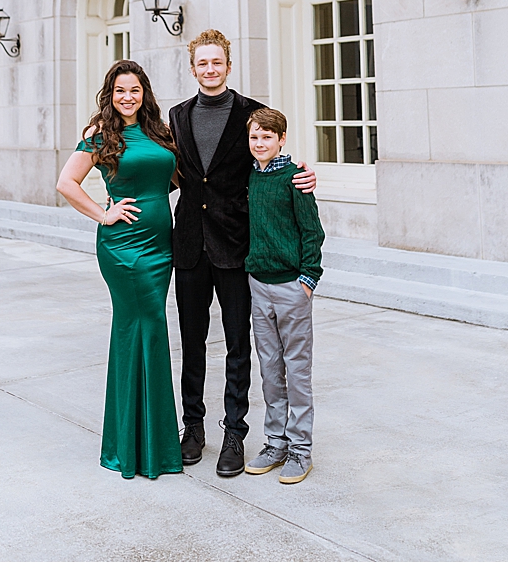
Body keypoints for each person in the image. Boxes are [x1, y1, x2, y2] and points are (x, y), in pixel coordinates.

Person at [168, 28, 316, 478]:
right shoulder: (176, 116)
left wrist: (305, 174)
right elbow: (169, 170)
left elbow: (272, 161)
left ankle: (235, 433)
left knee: (238, 347)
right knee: (191, 345)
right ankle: (192, 428)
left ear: (228, 66)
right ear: (193, 68)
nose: (210, 69)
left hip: (237, 247)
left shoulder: (252, 114)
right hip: (190, 245)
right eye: (202, 63)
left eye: (217, 62)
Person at [55, 59, 183, 480]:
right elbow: (66, 183)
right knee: (139, 328)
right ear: (110, 95)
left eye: (135, 90)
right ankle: (134, 446)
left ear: (144, 93)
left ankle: (152, 442)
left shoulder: (160, 133)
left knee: (153, 328)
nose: (127, 97)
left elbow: (181, 179)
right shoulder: (98, 136)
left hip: (161, 248)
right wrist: (103, 214)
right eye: (119, 91)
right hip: (124, 250)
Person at [241, 108, 324, 484]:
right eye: (254, 137)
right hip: (259, 285)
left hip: (292, 286)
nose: (260, 144)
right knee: (270, 370)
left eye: (267, 138)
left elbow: (312, 231)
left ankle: (300, 449)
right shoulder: (252, 178)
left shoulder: (295, 179)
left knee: (297, 369)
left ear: (281, 140)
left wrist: (308, 278)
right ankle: (275, 442)